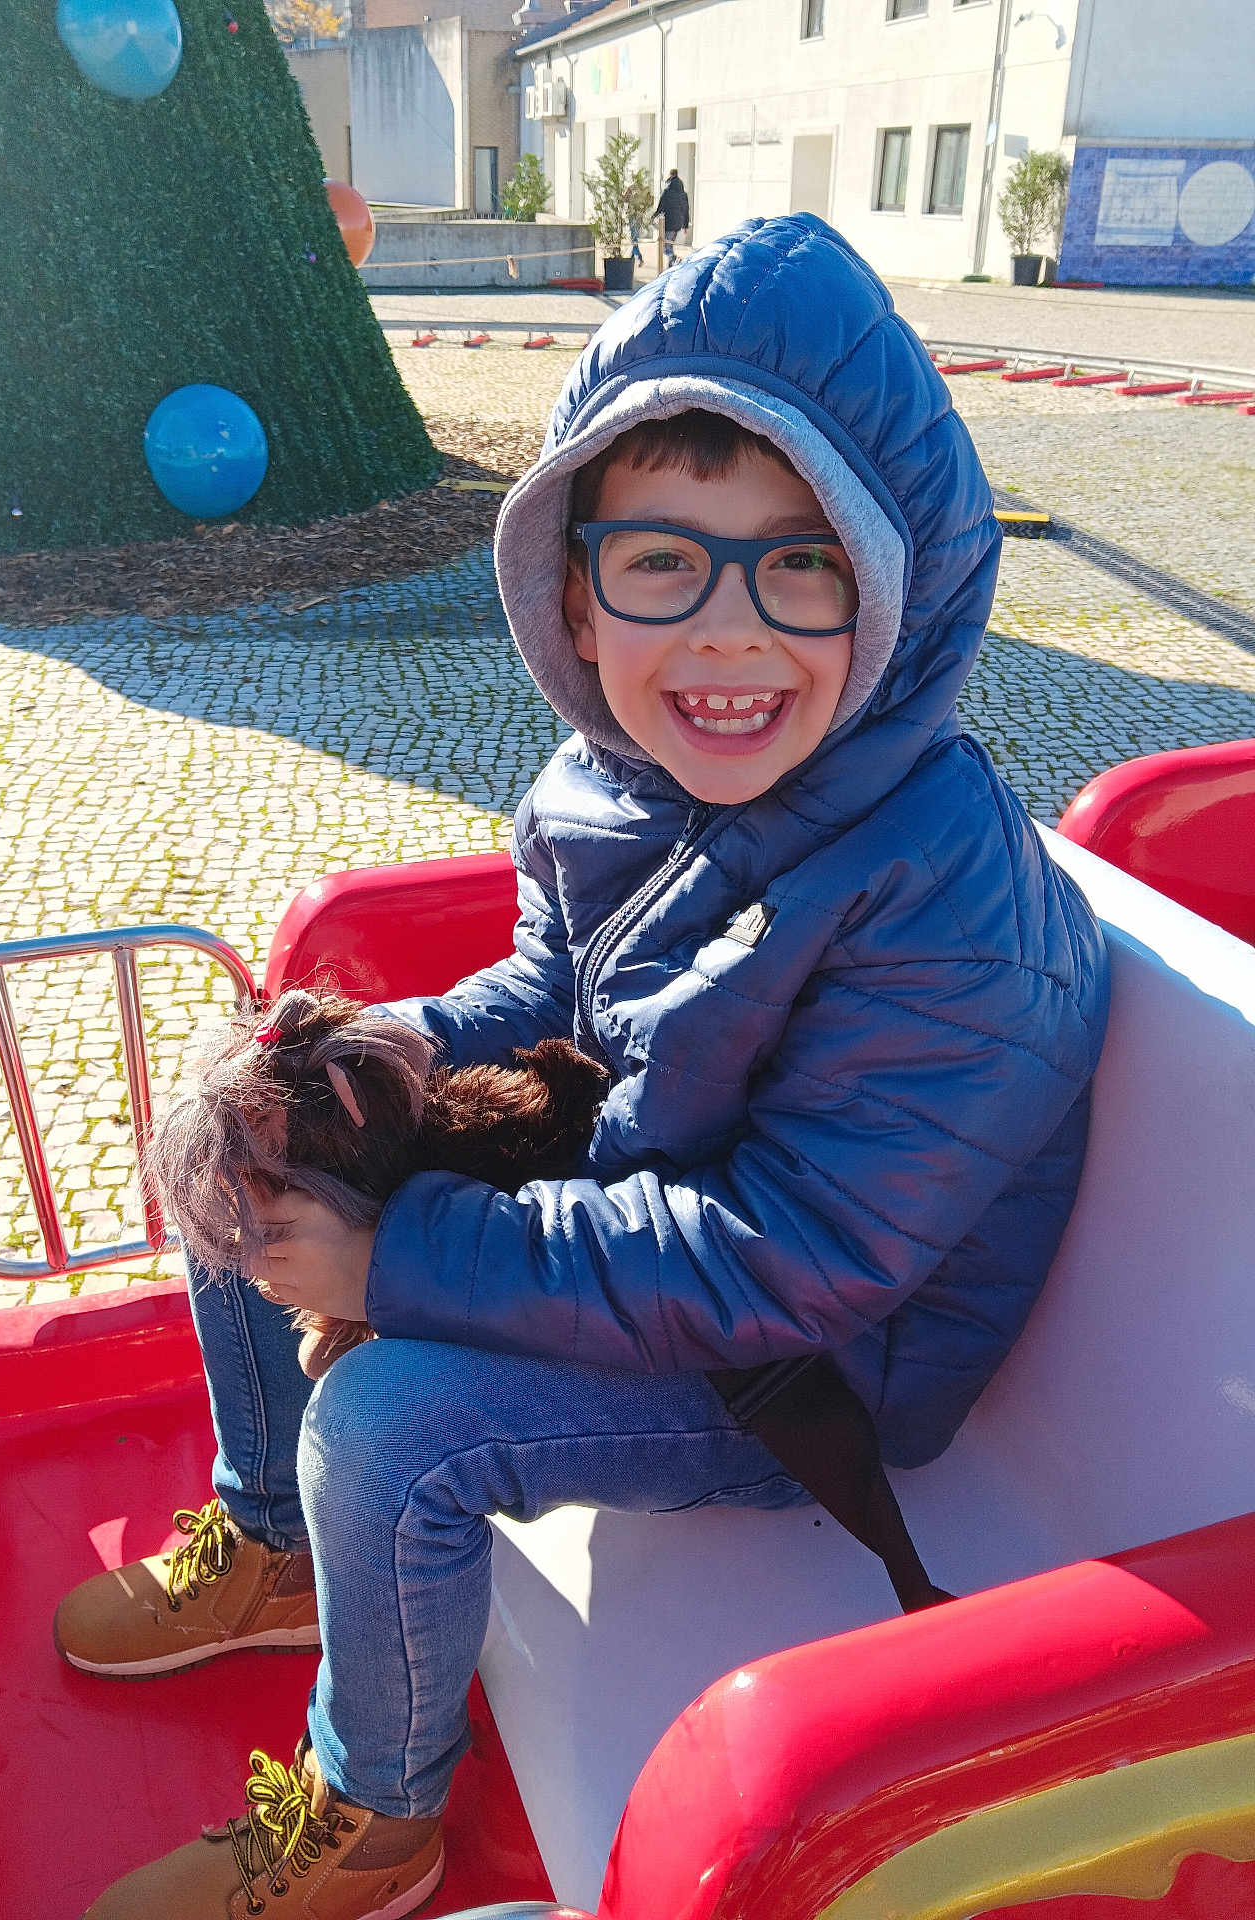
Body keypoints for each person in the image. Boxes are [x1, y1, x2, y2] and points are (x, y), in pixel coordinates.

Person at [58, 213, 1109, 1920]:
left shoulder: (948, 903)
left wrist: (407, 1264)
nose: (726, 635)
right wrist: (392, 1049)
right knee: (260, 1156)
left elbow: (796, 1258)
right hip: (645, 1208)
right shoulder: (612, 780)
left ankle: (373, 1809)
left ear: (895, 585)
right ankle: (269, 1543)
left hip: (817, 1369)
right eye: (661, 563)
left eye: (803, 564)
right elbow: (559, 979)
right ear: (571, 582)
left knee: (393, 1420)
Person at [655, 165, 690, 262]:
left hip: (669, 223)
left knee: (665, 248)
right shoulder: (683, 194)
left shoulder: (667, 192)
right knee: (670, 245)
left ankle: (676, 259)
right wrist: (685, 225)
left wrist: (654, 216)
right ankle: (671, 267)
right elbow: (686, 209)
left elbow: (661, 207)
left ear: (670, 175)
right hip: (678, 224)